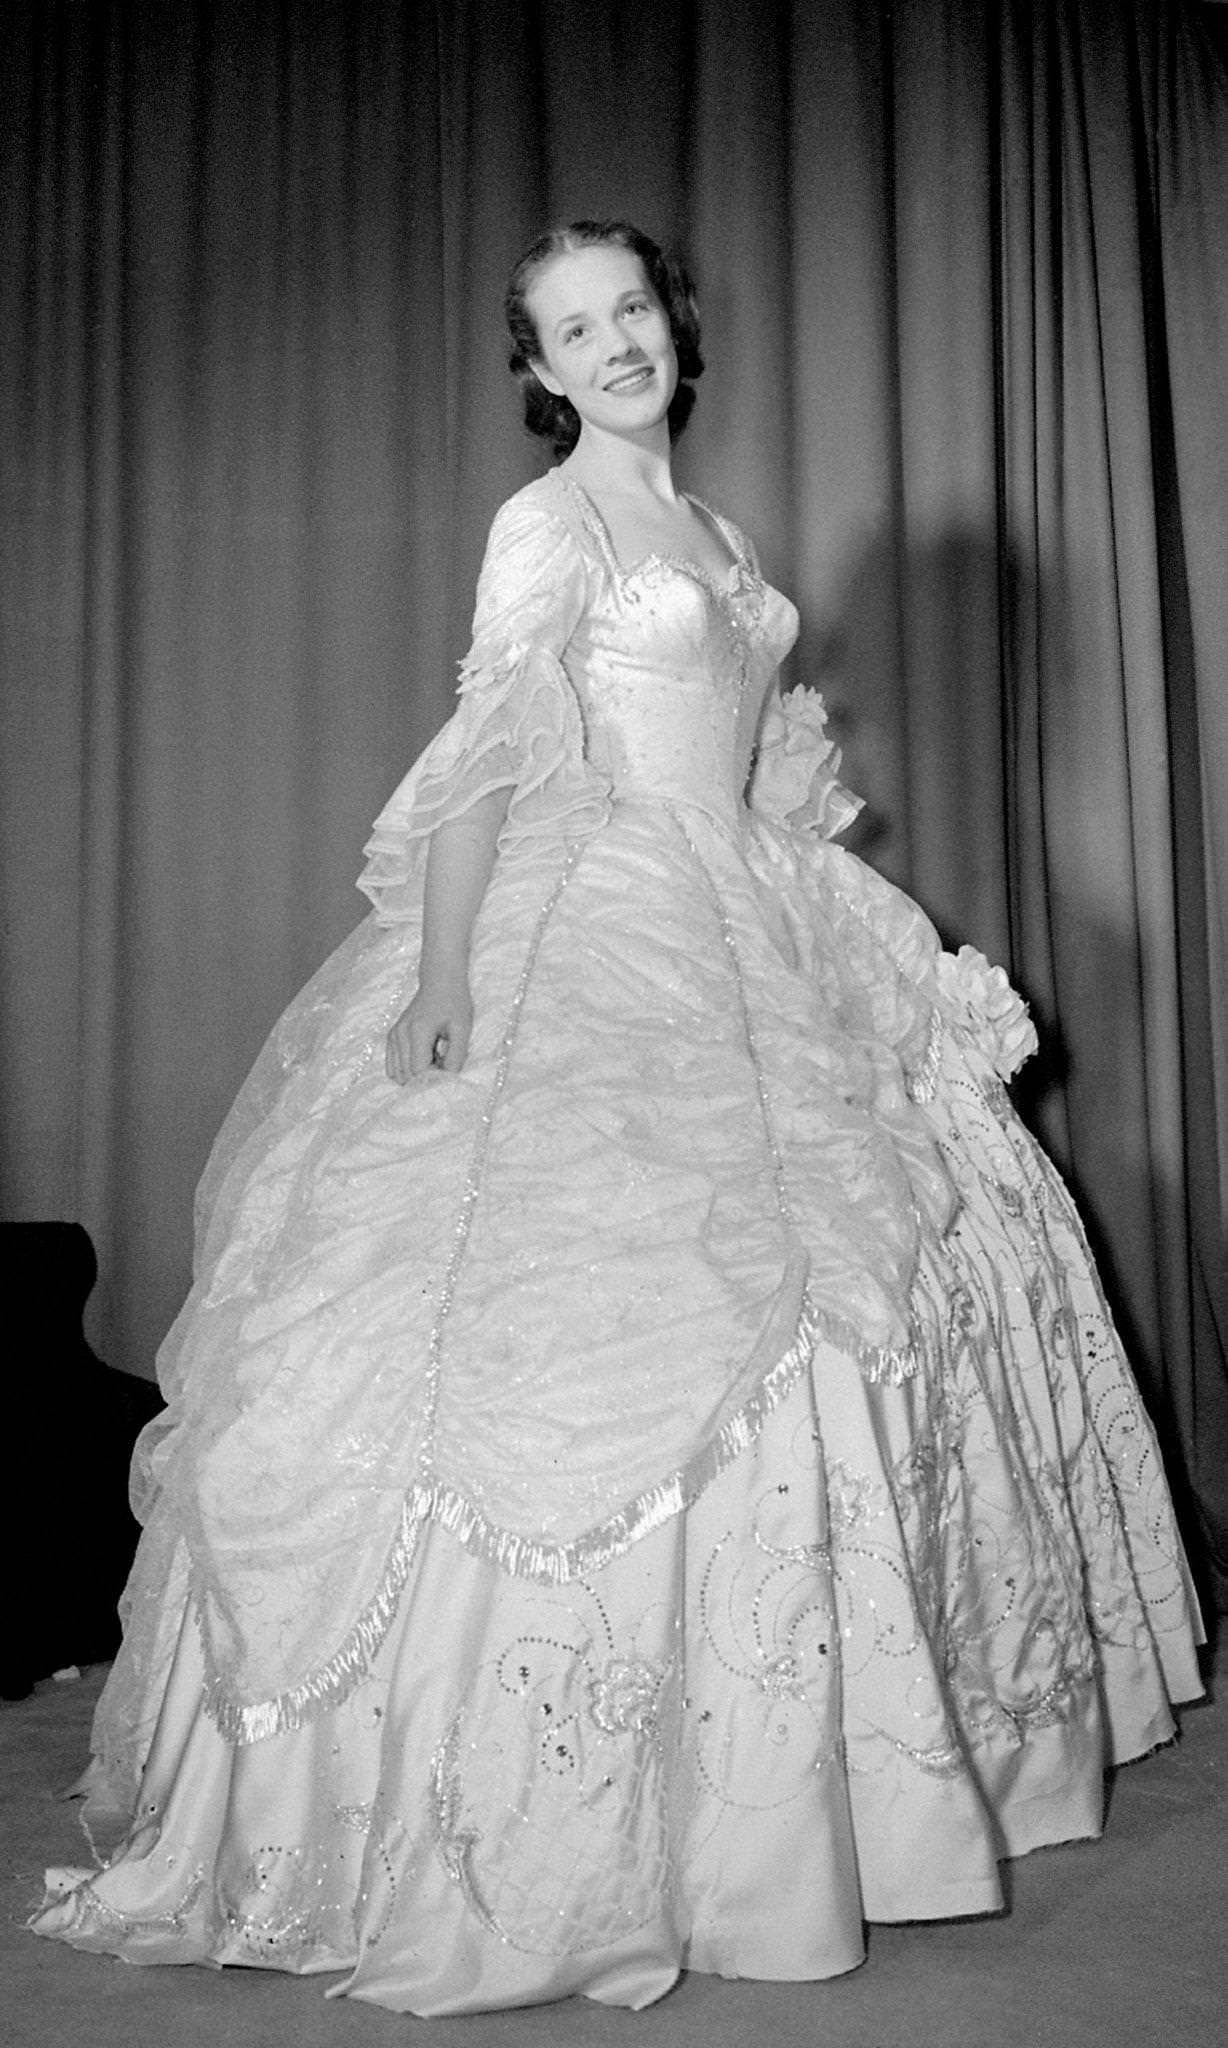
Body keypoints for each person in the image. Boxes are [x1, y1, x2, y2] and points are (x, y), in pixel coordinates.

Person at [32, 219, 1202, 2016]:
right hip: (595, 910)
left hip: (747, 905)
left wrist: (852, 955)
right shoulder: (547, 526)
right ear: (542, 370)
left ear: (677, 324)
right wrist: (444, 977)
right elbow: (497, 751)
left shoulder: (718, 539)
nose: (615, 347)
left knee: (870, 1257)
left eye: (633, 312)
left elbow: (752, 761)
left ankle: (848, 1773)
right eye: (576, 331)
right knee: (564, 1301)